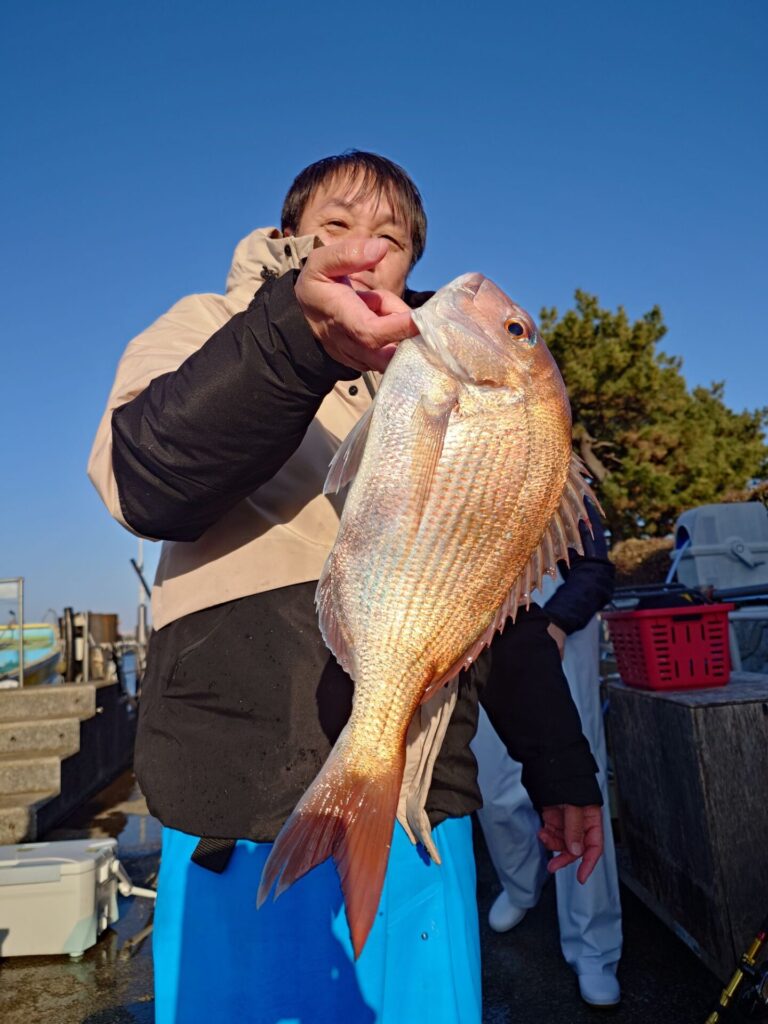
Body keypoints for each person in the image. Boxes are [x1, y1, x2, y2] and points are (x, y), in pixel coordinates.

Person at [89, 150, 604, 1024]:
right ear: (292, 235)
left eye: (391, 238)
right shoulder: (206, 324)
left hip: (422, 816)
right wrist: (298, 339)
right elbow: (146, 484)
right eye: (337, 225)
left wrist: (559, 763)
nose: (365, 249)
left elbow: (489, 597)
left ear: (410, 264)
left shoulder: (433, 370)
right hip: (235, 811)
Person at [473, 502, 623, 1008]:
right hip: (480, 631)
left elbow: (595, 568)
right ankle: (521, 884)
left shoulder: (564, 480)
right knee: (493, 790)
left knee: (579, 789)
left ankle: (594, 944)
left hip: (560, 629)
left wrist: (556, 623)